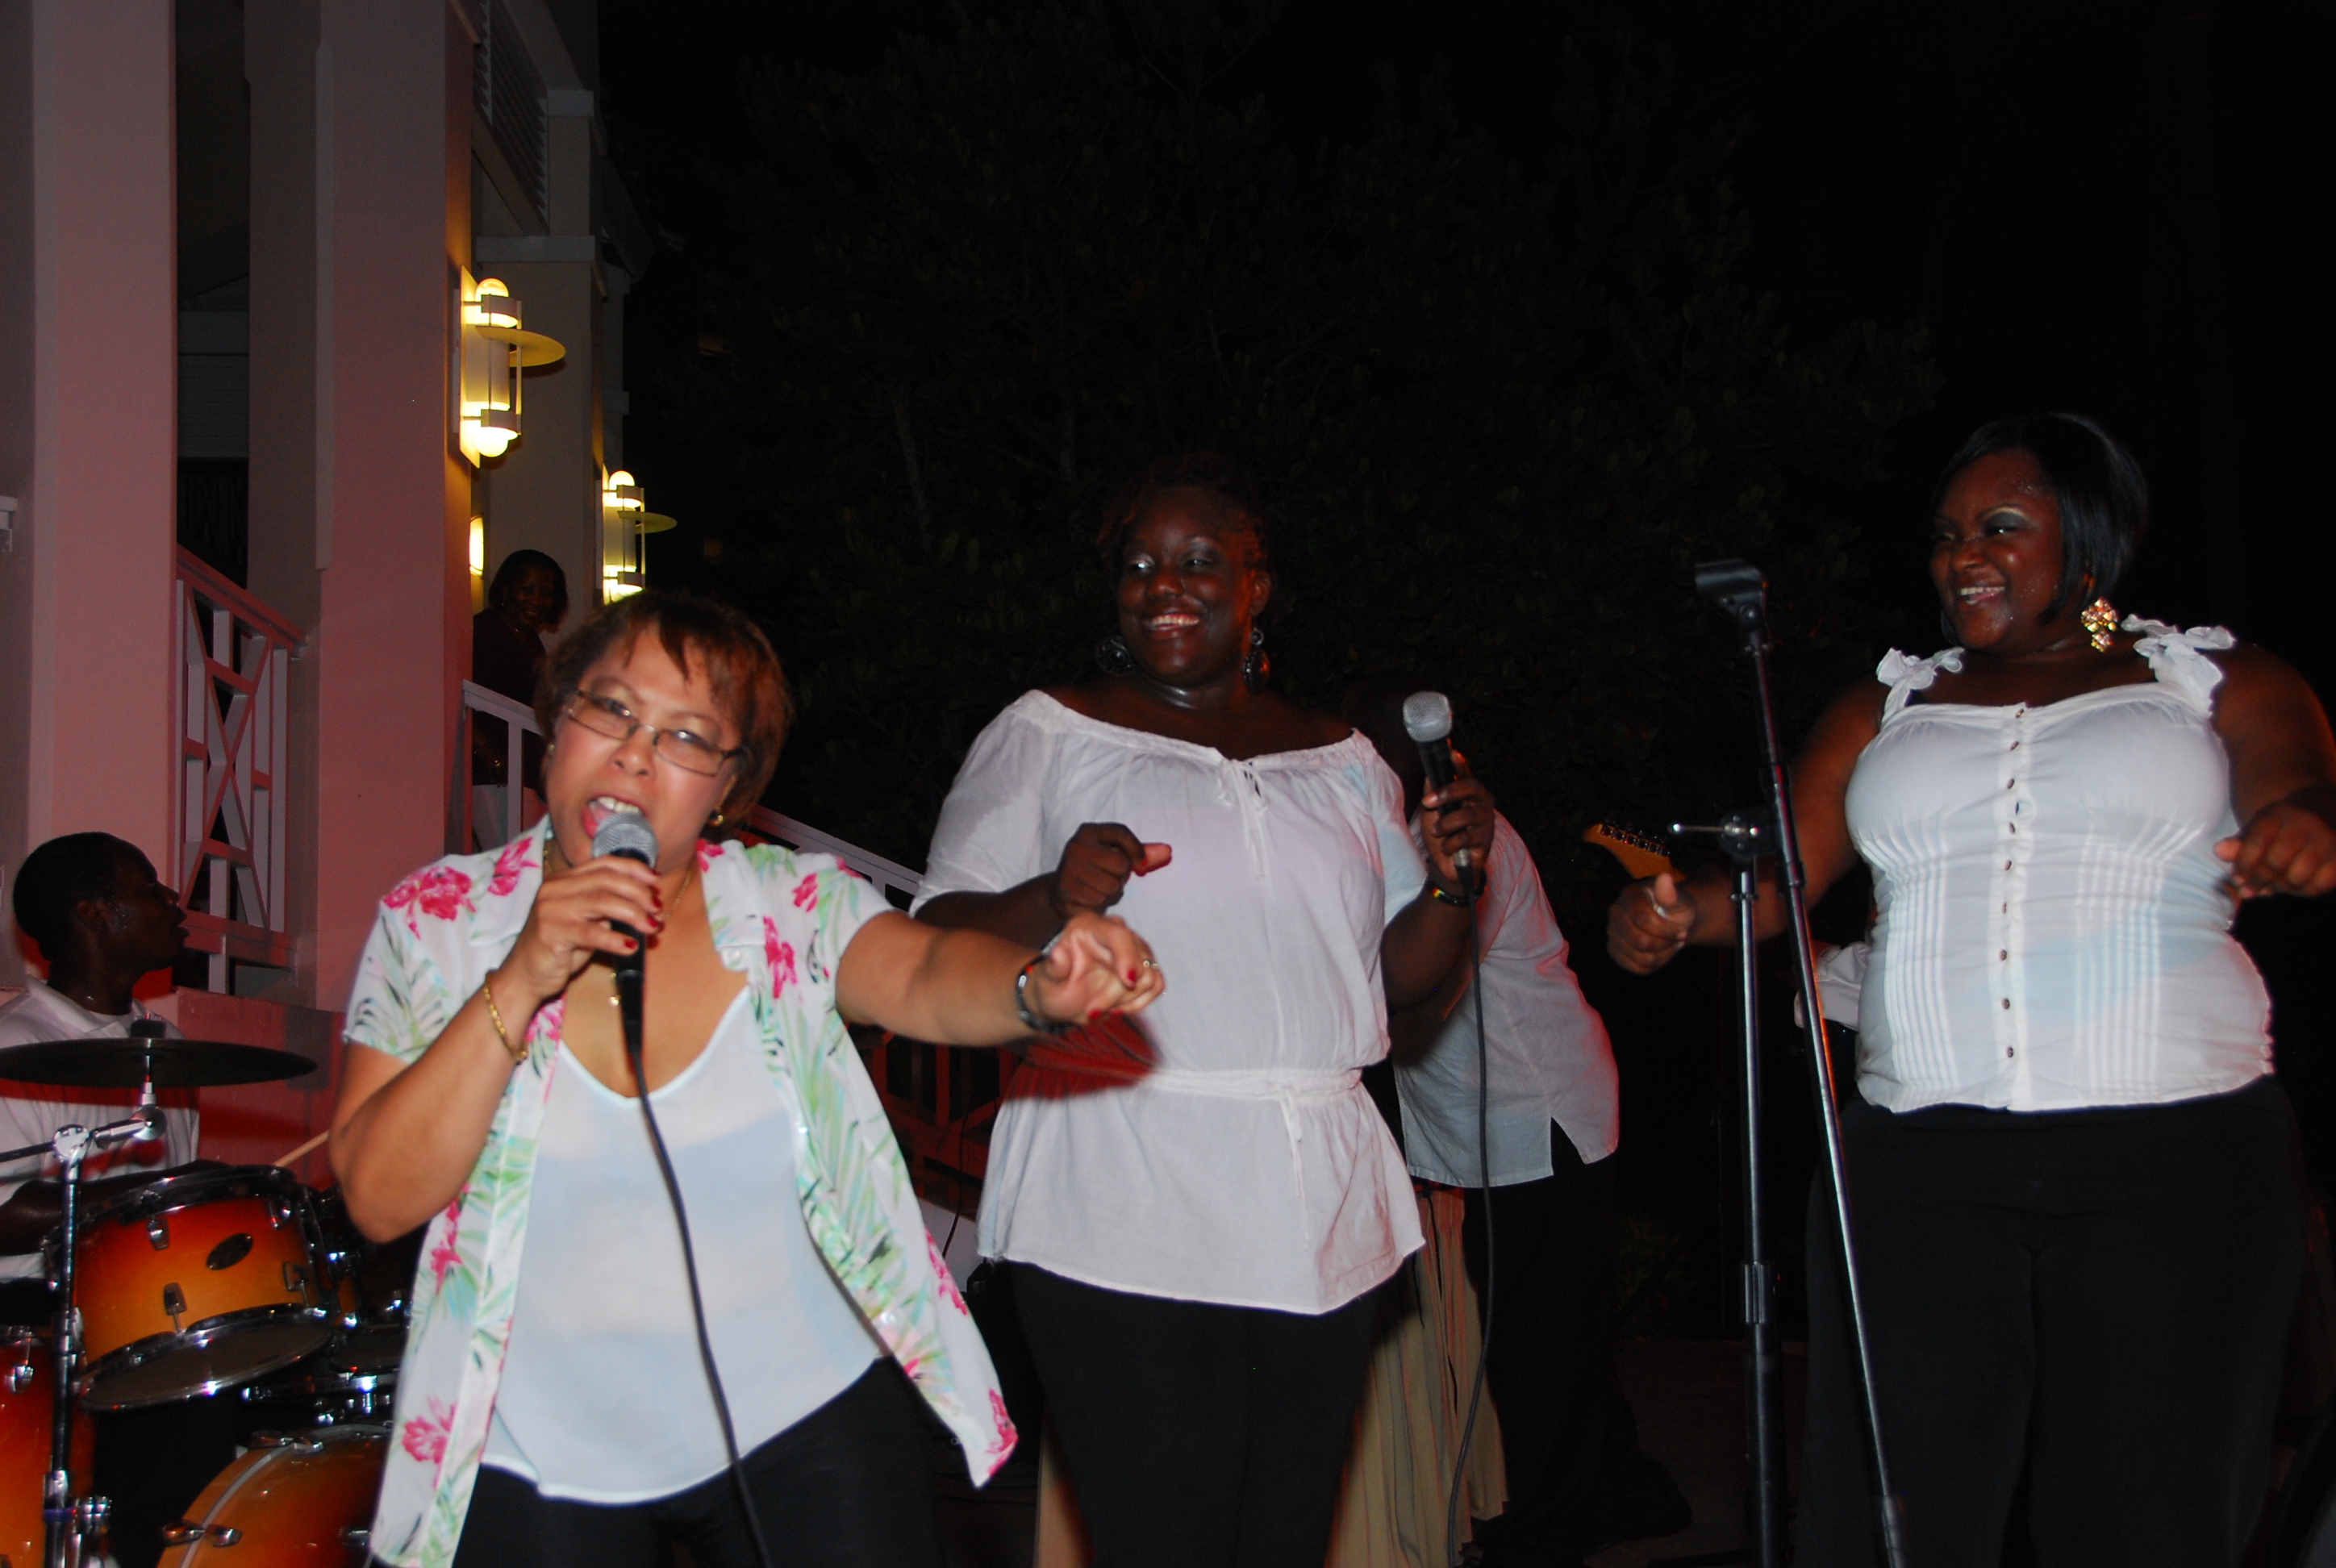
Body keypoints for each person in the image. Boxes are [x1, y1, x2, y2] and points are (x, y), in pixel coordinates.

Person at [1607, 413, 2331, 1566]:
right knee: (1893, 1515)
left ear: (2088, 536)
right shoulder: (1887, 706)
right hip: (1920, 1162)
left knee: (2149, 1518)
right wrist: (1682, 912)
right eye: (1946, 535)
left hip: (2175, 1157)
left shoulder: (2205, 678)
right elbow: (1782, 878)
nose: (1963, 557)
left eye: (2000, 527)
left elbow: (2298, 785)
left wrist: (2299, 826)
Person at [330, 589, 1163, 1568]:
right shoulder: (433, 921)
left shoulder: (786, 902)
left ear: (727, 788)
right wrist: (519, 977)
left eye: (686, 737)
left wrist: (1036, 986)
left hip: (800, 1410)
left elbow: (924, 972)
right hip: (534, 1442)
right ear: (557, 725)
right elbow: (378, 1197)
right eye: (611, 709)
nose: (635, 755)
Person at [913, 454, 1496, 1568]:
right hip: (1123, 1187)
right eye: (1138, 566)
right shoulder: (1051, 732)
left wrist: (1452, 886)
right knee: (1166, 1537)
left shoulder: (1343, 759)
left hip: (1313, 1201)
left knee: (1284, 1538)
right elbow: (934, 931)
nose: (1163, 586)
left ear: (1255, 584)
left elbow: (1402, 979)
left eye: (1195, 561)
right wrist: (1052, 896)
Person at [1345, 676, 1685, 1568]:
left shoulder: (1464, 847)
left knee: (1537, 1342)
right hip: (1506, 1122)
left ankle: (1548, 1531)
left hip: (1538, 1115)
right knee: (1561, 1330)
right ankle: (1625, 1492)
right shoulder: (1404, 843)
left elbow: (1425, 994)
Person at [0, 832, 219, 1568]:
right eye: (147, 888)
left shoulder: (165, 1045)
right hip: (34, 1321)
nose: (172, 900)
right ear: (93, 913)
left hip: (149, 1315)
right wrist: (160, 1192)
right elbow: (5, 1217)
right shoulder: (16, 1048)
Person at [470, 548, 568, 845]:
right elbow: (467, 694)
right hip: (496, 772)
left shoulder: (530, 641)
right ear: (506, 589)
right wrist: (487, 751)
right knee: (512, 859)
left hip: (525, 772)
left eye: (545, 593)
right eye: (527, 589)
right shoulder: (488, 629)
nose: (536, 601)